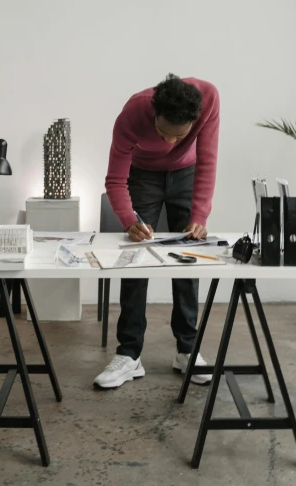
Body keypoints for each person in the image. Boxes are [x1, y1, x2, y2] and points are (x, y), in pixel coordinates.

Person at [94, 74, 219, 389]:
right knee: (135, 257)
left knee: (188, 257)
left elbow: (207, 161)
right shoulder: (133, 113)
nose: (169, 144)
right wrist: (128, 220)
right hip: (144, 175)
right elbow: (115, 180)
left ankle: (187, 350)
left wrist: (200, 214)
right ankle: (129, 355)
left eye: (179, 136)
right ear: (154, 116)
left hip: (187, 173)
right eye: (163, 133)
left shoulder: (209, 99)